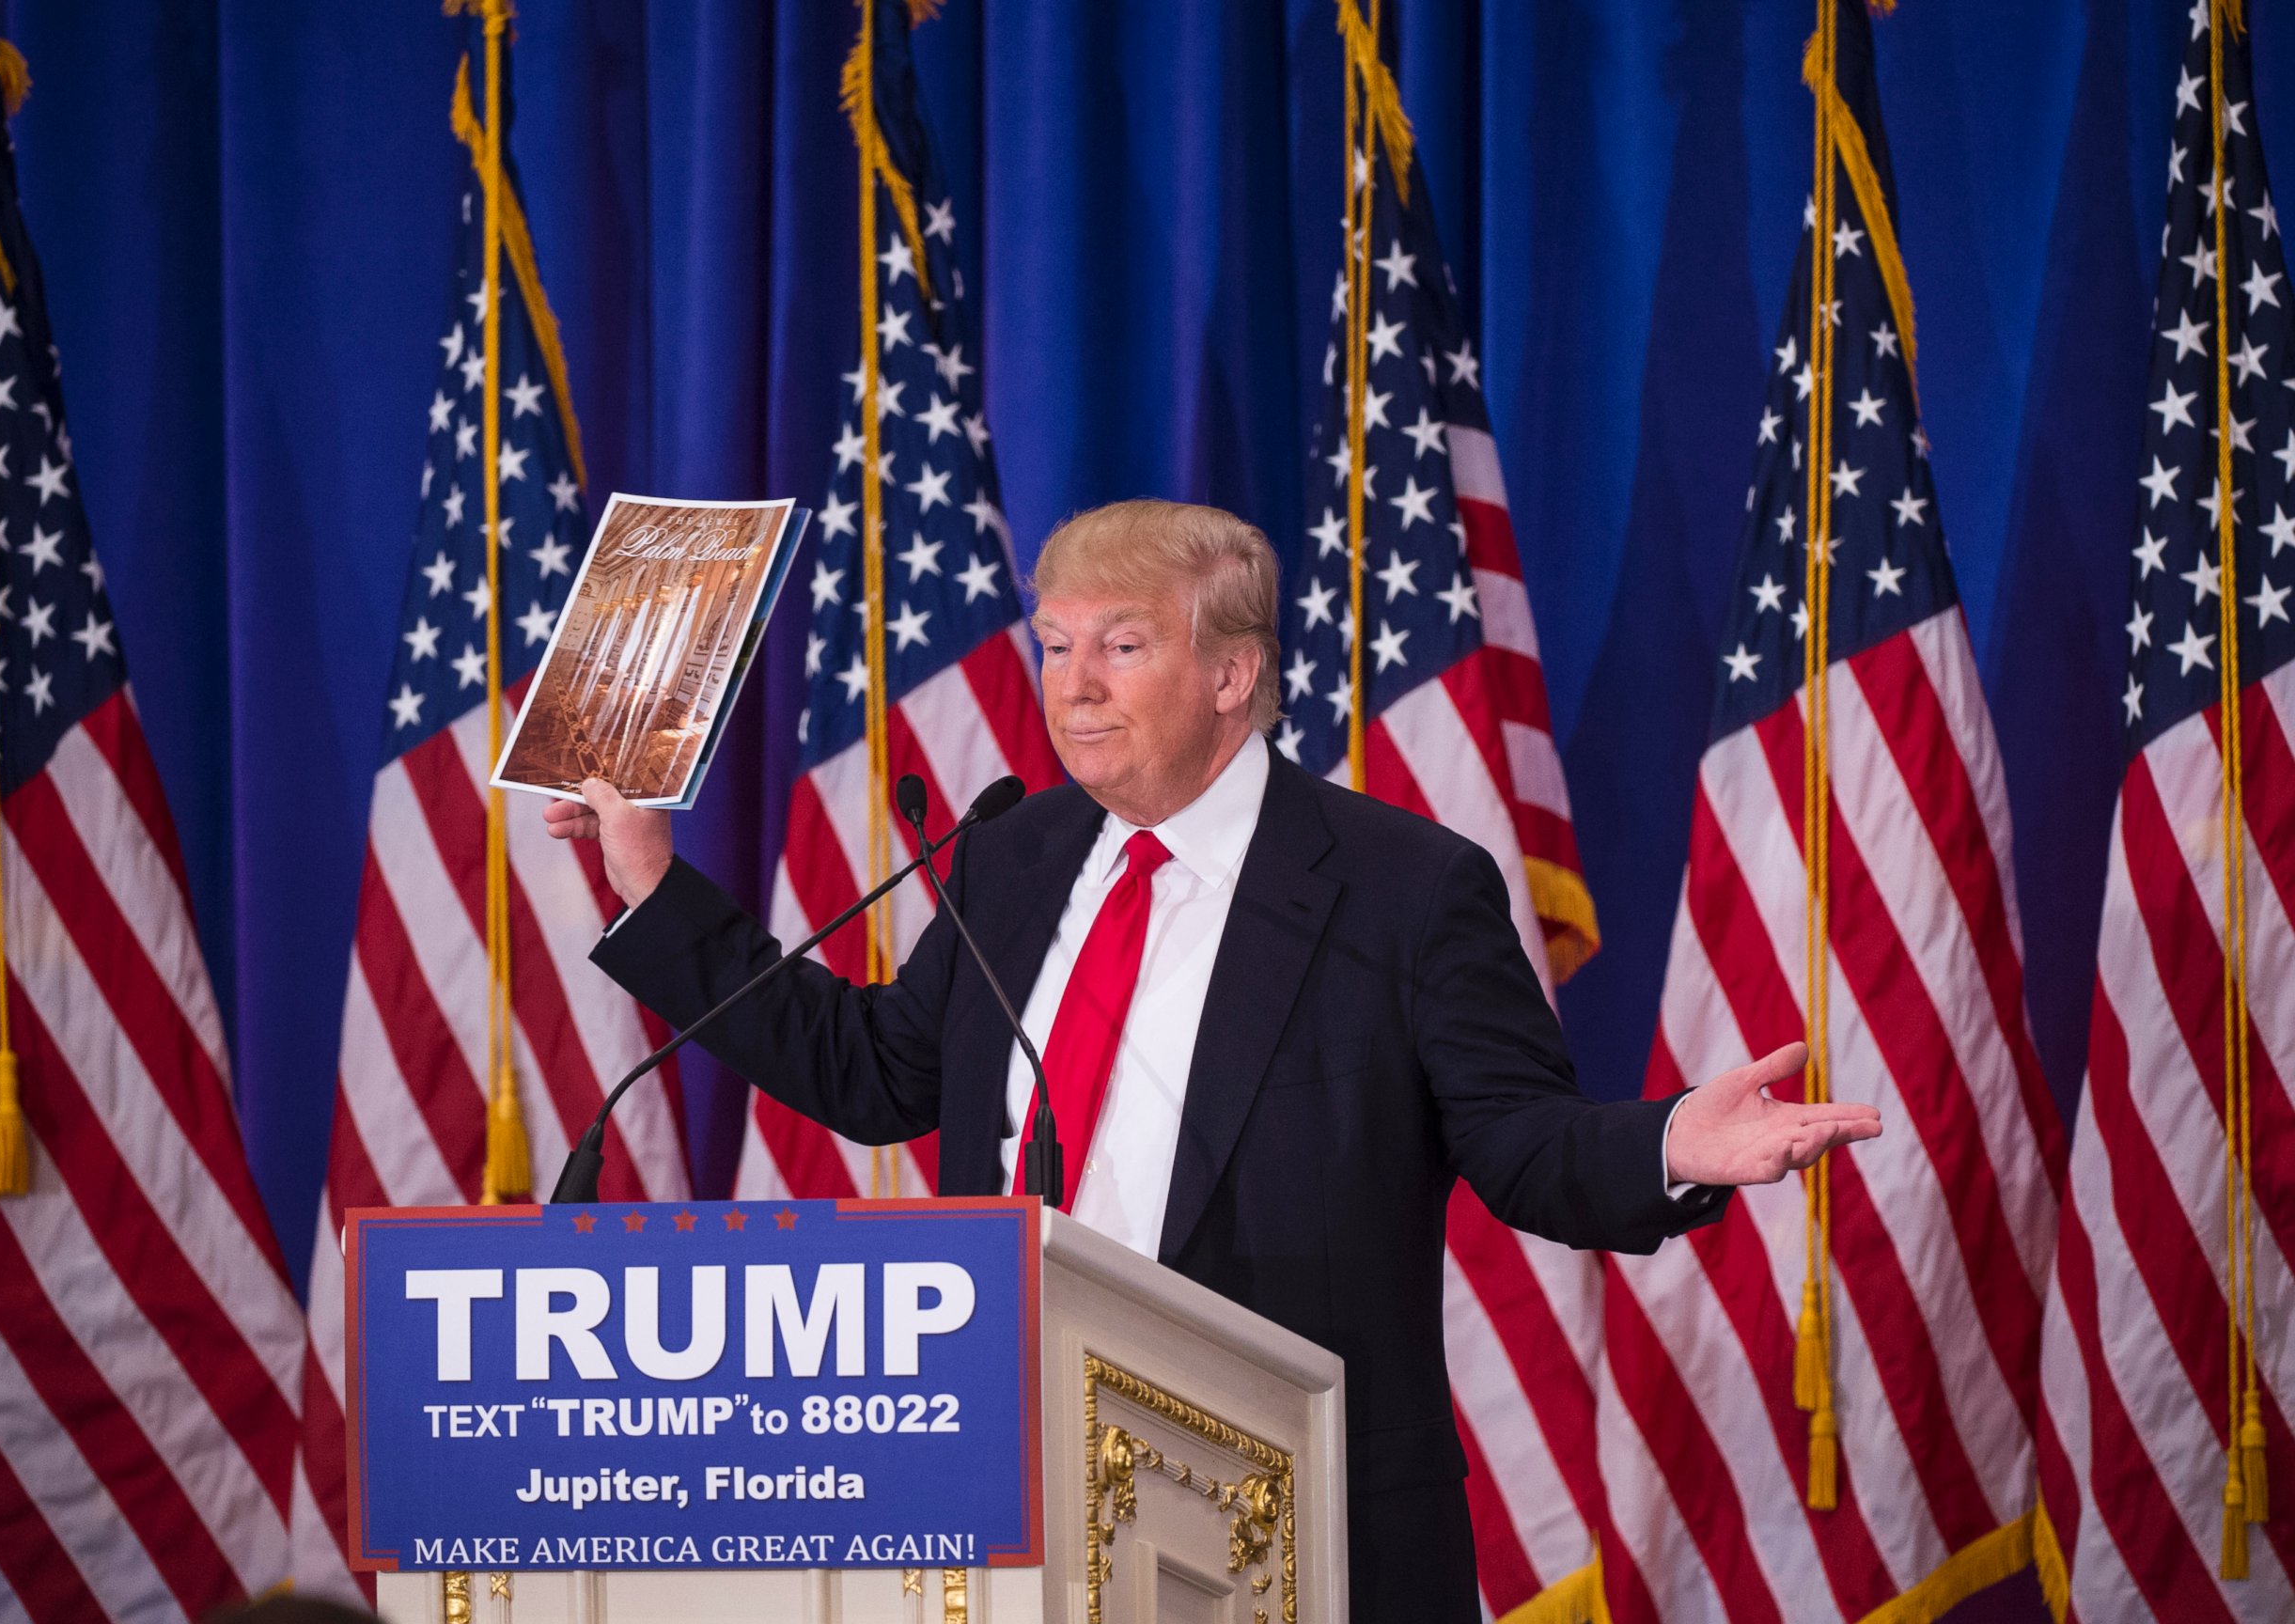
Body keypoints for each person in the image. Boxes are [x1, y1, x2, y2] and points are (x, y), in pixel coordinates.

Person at [545, 498, 1881, 1620]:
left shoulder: (1402, 887)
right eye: (1058, 643)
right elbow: (879, 1072)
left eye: (1121, 647)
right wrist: (655, 891)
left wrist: (1664, 1146)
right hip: (1008, 1492)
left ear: (1232, 674)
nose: (1071, 682)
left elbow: (1521, 1142)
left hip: (1294, 1516)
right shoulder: (1008, 855)